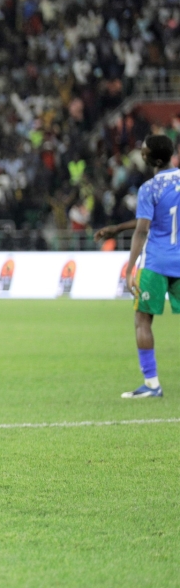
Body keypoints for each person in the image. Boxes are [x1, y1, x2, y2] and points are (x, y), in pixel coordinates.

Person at [95, 134, 179, 398]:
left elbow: (143, 230)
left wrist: (130, 269)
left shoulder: (149, 188)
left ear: (151, 157)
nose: (140, 151)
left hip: (155, 262)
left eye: (143, 150)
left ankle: (152, 384)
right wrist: (118, 228)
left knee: (142, 320)